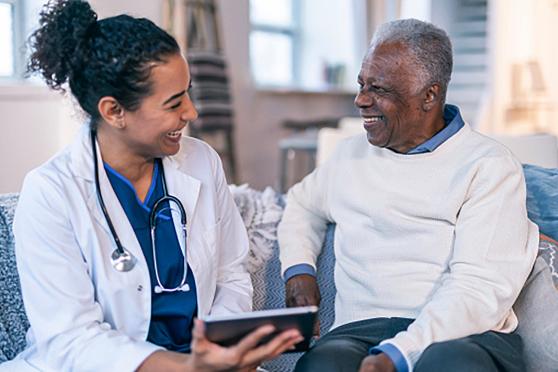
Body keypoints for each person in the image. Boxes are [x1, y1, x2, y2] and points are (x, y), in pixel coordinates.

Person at [8, 1, 302, 371]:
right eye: (174, 103)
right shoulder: (51, 192)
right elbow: (71, 340)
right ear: (114, 111)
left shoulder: (201, 162)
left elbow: (231, 273)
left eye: (189, 93)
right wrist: (186, 368)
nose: (192, 112)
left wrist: (222, 347)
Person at [278, 18, 538, 372]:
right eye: (361, 84)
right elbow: (301, 204)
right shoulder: (348, 155)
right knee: (323, 365)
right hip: (358, 333)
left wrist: (400, 354)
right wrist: (299, 271)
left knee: (447, 363)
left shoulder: (489, 166)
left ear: (429, 95)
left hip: (466, 335)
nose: (360, 100)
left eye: (380, 90)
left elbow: (478, 289)